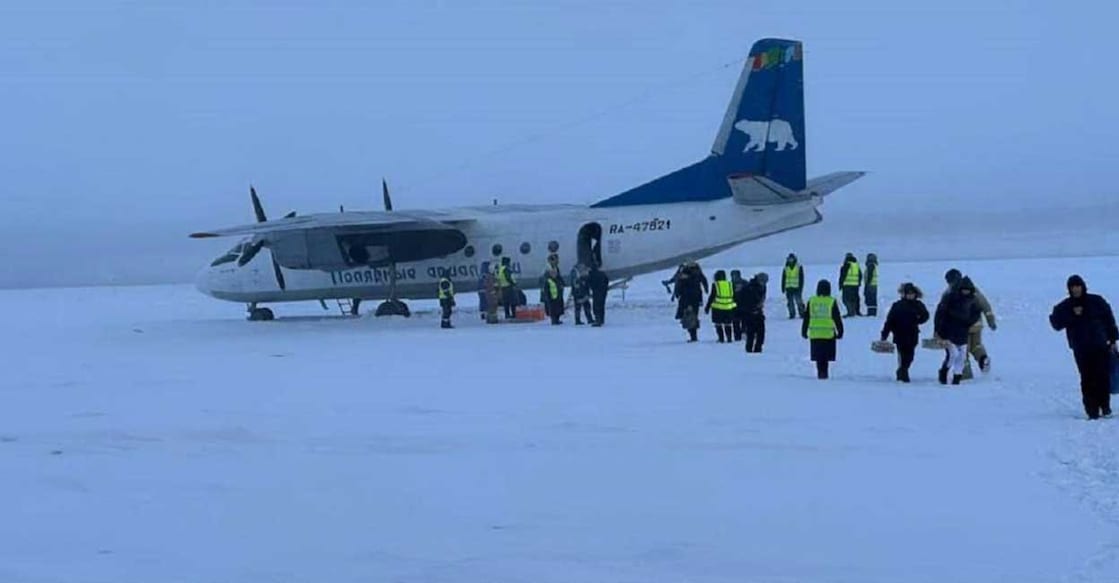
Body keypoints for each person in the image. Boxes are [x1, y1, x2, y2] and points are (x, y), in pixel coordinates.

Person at [1049, 275, 1117, 420]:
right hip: (1081, 348)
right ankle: (1091, 410)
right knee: (1087, 378)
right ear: (1069, 289)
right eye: (1073, 287)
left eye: (1078, 286)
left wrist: (1113, 340)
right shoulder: (1065, 306)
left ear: (1083, 286)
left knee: (1102, 377)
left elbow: (1109, 320)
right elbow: (1056, 323)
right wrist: (1072, 315)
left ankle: (1105, 407)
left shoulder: (1096, 301)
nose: (1076, 289)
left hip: (1100, 345)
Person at [942, 268, 998, 377]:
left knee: (963, 350)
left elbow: (943, 311)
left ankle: (965, 374)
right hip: (977, 325)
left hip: (961, 327)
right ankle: (983, 358)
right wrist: (990, 320)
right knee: (976, 346)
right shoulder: (972, 289)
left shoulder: (949, 293)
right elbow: (985, 304)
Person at [934, 276, 982, 385]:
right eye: (964, 289)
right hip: (949, 333)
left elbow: (977, 313)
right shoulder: (950, 298)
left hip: (963, 333)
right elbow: (940, 314)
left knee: (962, 357)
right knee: (953, 354)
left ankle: (957, 378)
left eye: (967, 289)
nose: (965, 291)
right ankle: (944, 372)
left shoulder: (973, 300)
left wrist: (969, 321)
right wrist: (938, 330)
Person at [880, 282, 930, 383]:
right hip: (899, 334)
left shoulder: (918, 305)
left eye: (912, 294)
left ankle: (902, 370)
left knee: (910, 356)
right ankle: (903, 373)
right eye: (908, 294)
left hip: (913, 333)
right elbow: (889, 321)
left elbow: (926, 316)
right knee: (902, 354)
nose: (910, 295)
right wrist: (884, 335)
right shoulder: (897, 305)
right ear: (904, 294)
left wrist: (918, 320)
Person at [802, 279, 844, 379]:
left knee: (818, 357)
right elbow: (837, 317)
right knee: (825, 358)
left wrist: (804, 330)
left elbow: (807, 317)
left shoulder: (812, 301)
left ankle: (820, 373)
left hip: (815, 334)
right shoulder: (831, 301)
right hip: (828, 334)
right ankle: (824, 374)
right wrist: (840, 331)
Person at [674, 262, 704, 342]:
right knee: (692, 318)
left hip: (687, 301)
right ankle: (693, 336)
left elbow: (680, 290)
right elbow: (699, 290)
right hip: (694, 301)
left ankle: (693, 337)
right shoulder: (695, 279)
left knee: (690, 319)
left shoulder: (685, 281)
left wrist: (677, 294)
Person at [705, 270, 737, 343]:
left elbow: (712, 297)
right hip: (729, 307)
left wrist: (707, 307)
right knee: (728, 324)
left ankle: (721, 338)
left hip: (718, 308)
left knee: (718, 324)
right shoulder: (730, 284)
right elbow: (734, 296)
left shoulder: (716, 285)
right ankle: (729, 338)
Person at [740, 274, 767, 353]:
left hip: (759, 313)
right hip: (750, 314)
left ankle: (758, 349)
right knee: (751, 334)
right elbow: (744, 301)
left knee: (761, 333)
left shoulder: (762, 287)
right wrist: (751, 309)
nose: (763, 283)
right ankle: (749, 350)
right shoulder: (750, 288)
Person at [781, 253, 806, 319]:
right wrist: (783, 287)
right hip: (788, 288)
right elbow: (783, 278)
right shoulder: (786, 267)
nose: (790, 260)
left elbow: (801, 278)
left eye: (792, 259)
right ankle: (792, 314)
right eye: (789, 259)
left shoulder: (799, 267)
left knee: (799, 302)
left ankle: (802, 313)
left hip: (797, 288)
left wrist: (801, 287)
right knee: (790, 303)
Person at [838, 252, 862, 317]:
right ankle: (854, 311)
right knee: (854, 299)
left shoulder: (846, 265)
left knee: (846, 299)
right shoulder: (856, 266)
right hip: (855, 286)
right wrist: (859, 283)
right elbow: (860, 275)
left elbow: (842, 275)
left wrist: (840, 285)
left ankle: (850, 312)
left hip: (847, 285)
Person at [730, 269, 747, 341]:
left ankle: (739, 334)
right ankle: (740, 334)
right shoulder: (745, 282)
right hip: (739, 305)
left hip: (738, 305)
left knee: (738, 320)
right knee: (739, 320)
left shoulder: (730, 283)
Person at [864, 253, 880, 317]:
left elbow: (869, 276)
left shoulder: (870, 265)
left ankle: (871, 313)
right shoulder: (873, 265)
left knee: (870, 299)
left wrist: (867, 284)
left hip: (870, 285)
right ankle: (872, 313)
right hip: (873, 285)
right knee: (872, 299)